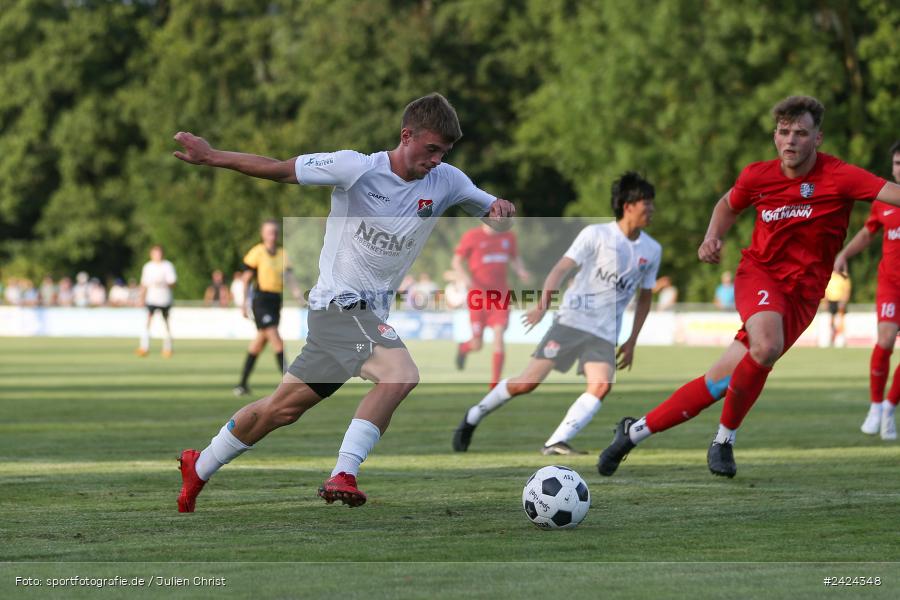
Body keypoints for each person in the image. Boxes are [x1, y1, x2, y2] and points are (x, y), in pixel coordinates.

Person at [172, 92, 514, 512]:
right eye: (432, 149)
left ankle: (199, 466)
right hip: (339, 306)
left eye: (445, 151)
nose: (438, 160)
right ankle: (344, 472)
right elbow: (281, 170)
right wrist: (211, 157)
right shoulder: (356, 168)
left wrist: (501, 215)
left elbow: (491, 214)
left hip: (364, 317)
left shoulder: (447, 180)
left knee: (279, 410)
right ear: (406, 136)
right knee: (401, 375)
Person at [598, 96, 900, 479]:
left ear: (818, 138)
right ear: (775, 136)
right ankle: (724, 440)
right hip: (760, 275)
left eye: (801, 133)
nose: (790, 141)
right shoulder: (758, 175)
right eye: (784, 132)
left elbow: (894, 193)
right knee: (767, 345)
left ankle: (633, 432)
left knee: (719, 381)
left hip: (803, 298)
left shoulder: (840, 176)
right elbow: (727, 204)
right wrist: (712, 237)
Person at [453, 172, 660, 455]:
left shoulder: (652, 250)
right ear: (628, 206)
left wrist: (632, 339)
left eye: (651, 203)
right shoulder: (596, 234)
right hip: (572, 321)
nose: (651, 209)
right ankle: (473, 416)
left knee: (600, 385)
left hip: (605, 331)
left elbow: (645, 298)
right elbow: (561, 268)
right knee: (527, 383)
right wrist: (542, 304)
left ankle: (555, 442)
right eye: (646, 203)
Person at [833, 140, 900, 440]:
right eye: (897, 164)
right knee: (885, 340)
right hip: (891, 283)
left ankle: (889, 407)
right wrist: (844, 254)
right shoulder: (885, 199)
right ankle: (875, 405)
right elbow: (867, 232)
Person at [453, 223, 531, 389]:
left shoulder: (509, 237)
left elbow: (515, 258)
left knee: (499, 336)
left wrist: (520, 270)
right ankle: (464, 348)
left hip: (500, 296)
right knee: (477, 344)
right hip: (478, 296)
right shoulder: (472, 236)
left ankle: (494, 385)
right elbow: (456, 262)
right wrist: (465, 279)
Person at [232, 220, 295, 397]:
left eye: (275, 232)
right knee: (276, 339)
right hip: (261, 300)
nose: (272, 235)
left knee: (258, 343)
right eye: (269, 232)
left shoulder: (283, 253)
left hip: (275, 300)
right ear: (263, 234)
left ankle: (242, 384)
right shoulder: (257, 252)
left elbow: (290, 279)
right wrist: (243, 304)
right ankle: (288, 381)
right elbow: (245, 280)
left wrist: (299, 296)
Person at [137, 245, 177, 358]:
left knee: (166, 323)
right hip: (152, 299)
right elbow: (144, 284)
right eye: (155, 253)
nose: (157, 256)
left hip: (165, 299)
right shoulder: (148, 267)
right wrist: (141, 298)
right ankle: (144, 347)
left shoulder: (168, 266)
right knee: (148, 322)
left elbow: (173, 283)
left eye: (159, 253)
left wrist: (163, 283)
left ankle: (167, 348)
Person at [822, 270, 851, 347]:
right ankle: (832, 338)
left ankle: (842, 339)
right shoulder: (829, 275)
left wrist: (844, 301)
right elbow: (825, 289)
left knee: (841, 321)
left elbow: (847, 289)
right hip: (831, 301)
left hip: (840, 301)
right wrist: (825, 301)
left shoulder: (844, 275)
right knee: (831, 322)